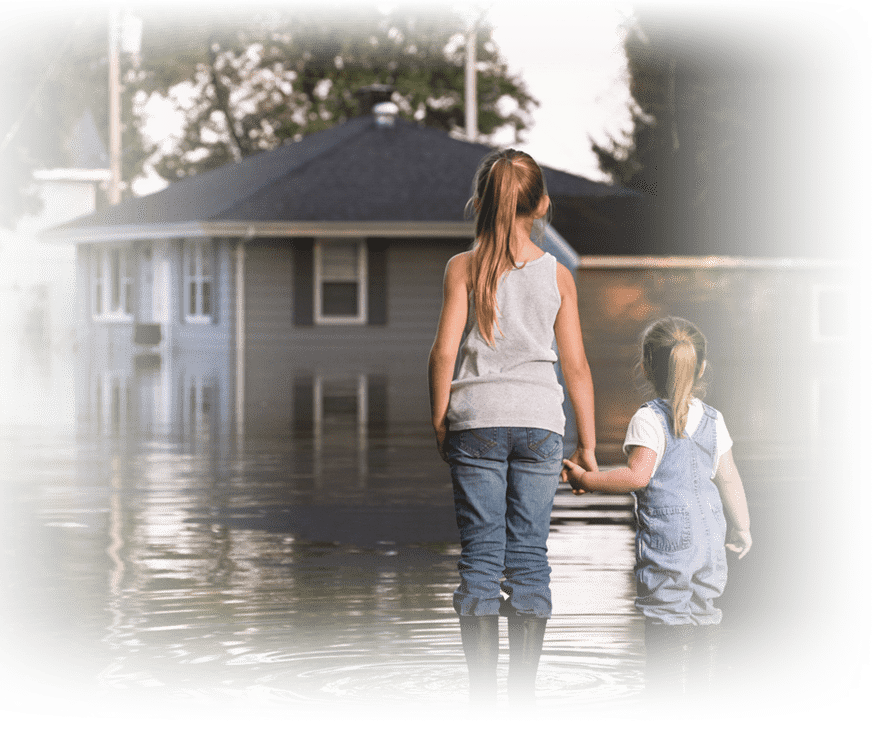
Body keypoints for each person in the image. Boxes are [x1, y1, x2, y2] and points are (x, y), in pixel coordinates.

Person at [428, 149, 598, 715]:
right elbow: (575, 365)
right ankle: (523, 701)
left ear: (479, 204)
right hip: (541, 424)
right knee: (528, 556)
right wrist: (590, 444)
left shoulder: (463, 267)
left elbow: (444, 351)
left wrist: (439, 418)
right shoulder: (559, 275)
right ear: (542, 205)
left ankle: (481, 703)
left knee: (481, 555)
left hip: (475, 419)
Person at [561, 316, 751, 708]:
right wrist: (742, 527)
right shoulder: (714, 420)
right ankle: (702, 699)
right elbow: (729, 479)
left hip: (671, 539)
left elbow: (636, 476)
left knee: (668, 611)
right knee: (703, 607)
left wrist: (585, 478)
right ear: (699, 368)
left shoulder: (648, 419)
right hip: (711, 537)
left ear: (647, 367)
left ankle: (666, 702)